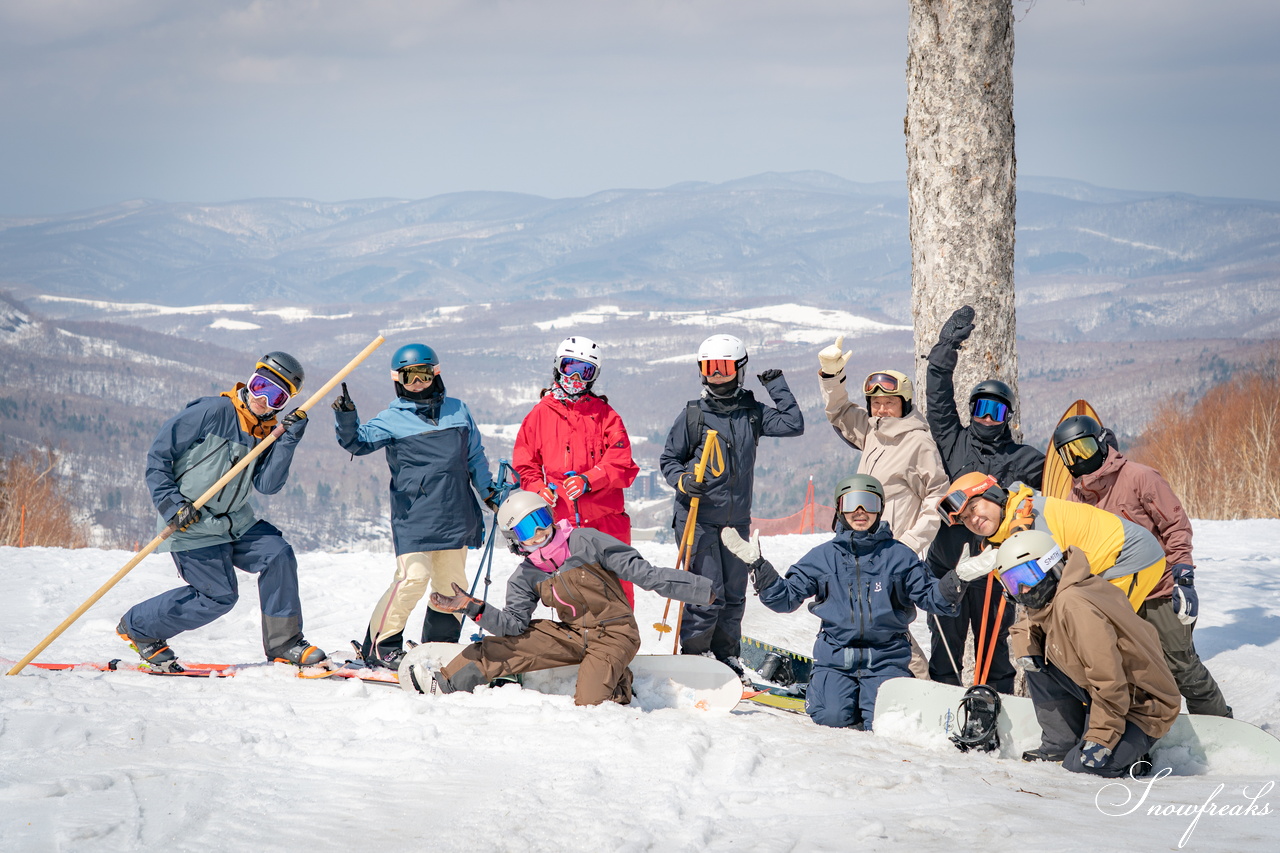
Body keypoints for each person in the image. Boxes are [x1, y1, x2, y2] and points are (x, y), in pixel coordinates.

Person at [722, 475, 983, 729]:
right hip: (836, 658)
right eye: (851, 503)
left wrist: (957, 579)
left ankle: (868, 697)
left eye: (868, 503)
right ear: (839, 508)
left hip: (885, 659)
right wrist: (758, 566)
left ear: (879, 508)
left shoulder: (898, 556)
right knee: (831, 717)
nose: (860, 511)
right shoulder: (823, 557)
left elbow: (932, 599)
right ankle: (831, 690)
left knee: (885, 724)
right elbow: (785, 599)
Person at [407, 490, 714, 706]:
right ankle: (445, 683)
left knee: (591, 703)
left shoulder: (585, 542)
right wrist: (475, 609)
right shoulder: (524, 576)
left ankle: (618, 682)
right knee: (500, 646)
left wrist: (702, 591)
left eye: (542, 518)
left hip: (615, 632)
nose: (540, 530)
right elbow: (514, 627)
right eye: (528, 527)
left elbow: (645, 574)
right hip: (571, 634)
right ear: (516, 540)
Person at [117, 351, 324, 670]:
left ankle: (285, 643)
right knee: (219, 597)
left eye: (276, 397)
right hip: (191, 521)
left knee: (277, 554)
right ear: (250, 380)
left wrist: (286, 441)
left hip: (234, 521)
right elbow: (158, 457)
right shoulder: (212, 411)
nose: (263, 400)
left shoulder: (268, 430)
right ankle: (140, 627)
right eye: (260, 387)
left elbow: (267, 485)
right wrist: (172, 504)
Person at [1053, 415, 1231, 717]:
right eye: (1069, 454)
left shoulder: (1138, 477)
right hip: (1116, 598)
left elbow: (1175, 525)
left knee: (1181, 664)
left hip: (1158, 590)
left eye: (1082, 448)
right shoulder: (1075, 498)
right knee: (1133, 673)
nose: (1078, 459)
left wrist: (1182, 576)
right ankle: (1148, 736)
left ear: (1099, 443)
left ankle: (1220, 724)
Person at [333, 343, 497, 668]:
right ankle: (381, 646)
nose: (417, 383)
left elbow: (474, 457)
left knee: (452, 585)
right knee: (412, 579)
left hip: (455, 513)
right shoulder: (393, 419)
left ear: (435, 373)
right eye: (409, 377)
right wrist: (347, 418)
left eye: (423, 374)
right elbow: (357, 443)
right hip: (414, 516)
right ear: (399, 381)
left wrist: (491, 494)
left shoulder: (458, 410)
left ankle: (440, 648)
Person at [659, 333, 804, 677]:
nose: (717, 375)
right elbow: (669, 459)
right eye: (709, 368)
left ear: (739, 369)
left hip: (736, 520)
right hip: (698, 518)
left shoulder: (750, 412)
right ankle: (695, 658)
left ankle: (726, 658)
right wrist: (683, 479)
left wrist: (775, 384)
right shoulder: (693, 415)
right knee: (706, 594)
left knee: (735, 596)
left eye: (724, 367)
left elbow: (793, 424)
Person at [924, 305, 1045, 694]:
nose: (988, 418)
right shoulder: (954, 442)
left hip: (996, 572)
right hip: (948, 564)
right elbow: (938, 397)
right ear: (972, 410)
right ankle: (943, 699)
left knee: (994, 650)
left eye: (997, 411)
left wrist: (1091, 455)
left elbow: (1062, 483)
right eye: (981, 408)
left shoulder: (1021, 458)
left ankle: (996, 703)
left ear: (1007, 416)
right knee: (945, 647)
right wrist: (946, 348)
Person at [998, 530, 1180, 776]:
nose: (1022, 589)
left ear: (1050, 565)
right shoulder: (1061, 590)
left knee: (1082, 767)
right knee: (1034, 656)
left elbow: (1109, 678)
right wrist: (1025, 646)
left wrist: (1101, 738)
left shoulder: (1073, 605)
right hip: (1112, 695)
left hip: (1143, 704)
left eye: (1027, 576)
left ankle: (1136, 755)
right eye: (1012, 582)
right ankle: (1060, 743)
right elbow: (1033, 621)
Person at [819, 343, 950, 679]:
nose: (881, 409)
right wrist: (832, 377)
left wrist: (909, 544)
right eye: (875, 403)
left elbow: (938, 497)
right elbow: (838, 411)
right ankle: (862, 678)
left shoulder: (918, 442)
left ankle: (923, 688)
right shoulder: (873, 432)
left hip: (892, 551)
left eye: (889, 403)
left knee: (888, 625)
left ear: (903, 404)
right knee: (857, 617)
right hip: (860, 547)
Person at [513, 335, 639, 606]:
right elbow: (525, 464)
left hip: (605, 519)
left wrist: (590, 479)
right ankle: (575, 644)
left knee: (616, 586)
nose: (576, 378)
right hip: (562, 521)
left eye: (586, 371)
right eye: (570, 367)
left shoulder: (606, 416)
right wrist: (538, 490)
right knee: (569, 590)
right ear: (558, 367)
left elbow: (623, 463)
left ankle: (621, 641)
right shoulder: (540, 415)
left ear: (594, 376)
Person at [938, 471, 1166, 609]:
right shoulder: (1003, 536)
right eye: (965, 518)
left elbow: (1049, 583)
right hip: (1100, 568)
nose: (974, 519)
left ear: (992, 495)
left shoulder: (1029, 514)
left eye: (975, 508)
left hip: (1127, 558)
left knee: (1107, 638)